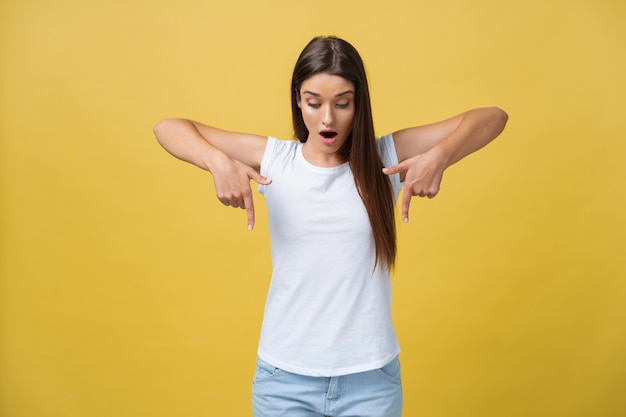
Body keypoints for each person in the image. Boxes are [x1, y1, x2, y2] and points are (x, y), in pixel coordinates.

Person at [154, 36, 508, 417]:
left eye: (342, 103)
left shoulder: (383, 158)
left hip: (370, 382)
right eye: (314, 102)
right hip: (283, 381)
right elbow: (167, 127)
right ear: (297, 100)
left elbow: (492, 117)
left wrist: (440, 156)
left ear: (358, 104)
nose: (327, 118)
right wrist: (216, 162)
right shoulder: (275, 159)